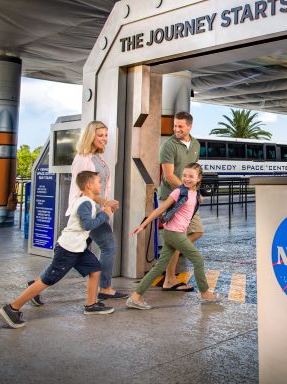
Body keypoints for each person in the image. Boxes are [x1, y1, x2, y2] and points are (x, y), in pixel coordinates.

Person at [0, 171, 115, 328]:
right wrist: (106, 215)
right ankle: (12, 308)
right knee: (48, 280)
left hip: (78, 248)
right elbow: (88, 225)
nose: (100, 185)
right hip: (68, 250)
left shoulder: (88, 201)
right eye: (98, 182)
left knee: (95, 269)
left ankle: (91, 305)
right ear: (89, 185)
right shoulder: (84, 203)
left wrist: (105, 210)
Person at [32, 121, 126, 304]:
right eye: (100, 135)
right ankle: (105, 288)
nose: (104, 139)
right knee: (108, 247)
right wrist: (105, 204)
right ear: (90, 136)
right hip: (88, 212)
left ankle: (36, 285)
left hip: (96, 209)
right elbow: (85, 190)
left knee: (69, 257)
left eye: (106, 135)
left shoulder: (98, 158)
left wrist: (105, 204)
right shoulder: (83, 159)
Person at [126, 163, 217, 309]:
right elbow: (161, 208)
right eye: (184, 175)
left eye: (191, 176)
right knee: (198, 259)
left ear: (199, 178)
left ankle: (135, 297)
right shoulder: (179, 192)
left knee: (159, 267)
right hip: (175, 233)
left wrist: (199, 196)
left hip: (174, 232)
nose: (186, 179)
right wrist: (144, 224)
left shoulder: (194, 193)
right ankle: (205, 292)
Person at [156, 111, 202, 291]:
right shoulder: (168, 145)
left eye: (180, 126)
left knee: (197, 231)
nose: (176, 129)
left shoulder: (196, 144)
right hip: (172, 197)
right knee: (178, 238)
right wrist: (189, 190)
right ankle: (169, 278)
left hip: (188, 198)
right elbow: (168, 176)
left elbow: (195, 171)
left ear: (190, 126)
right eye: (175, 126)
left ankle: (170, 268)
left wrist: (195, 189)